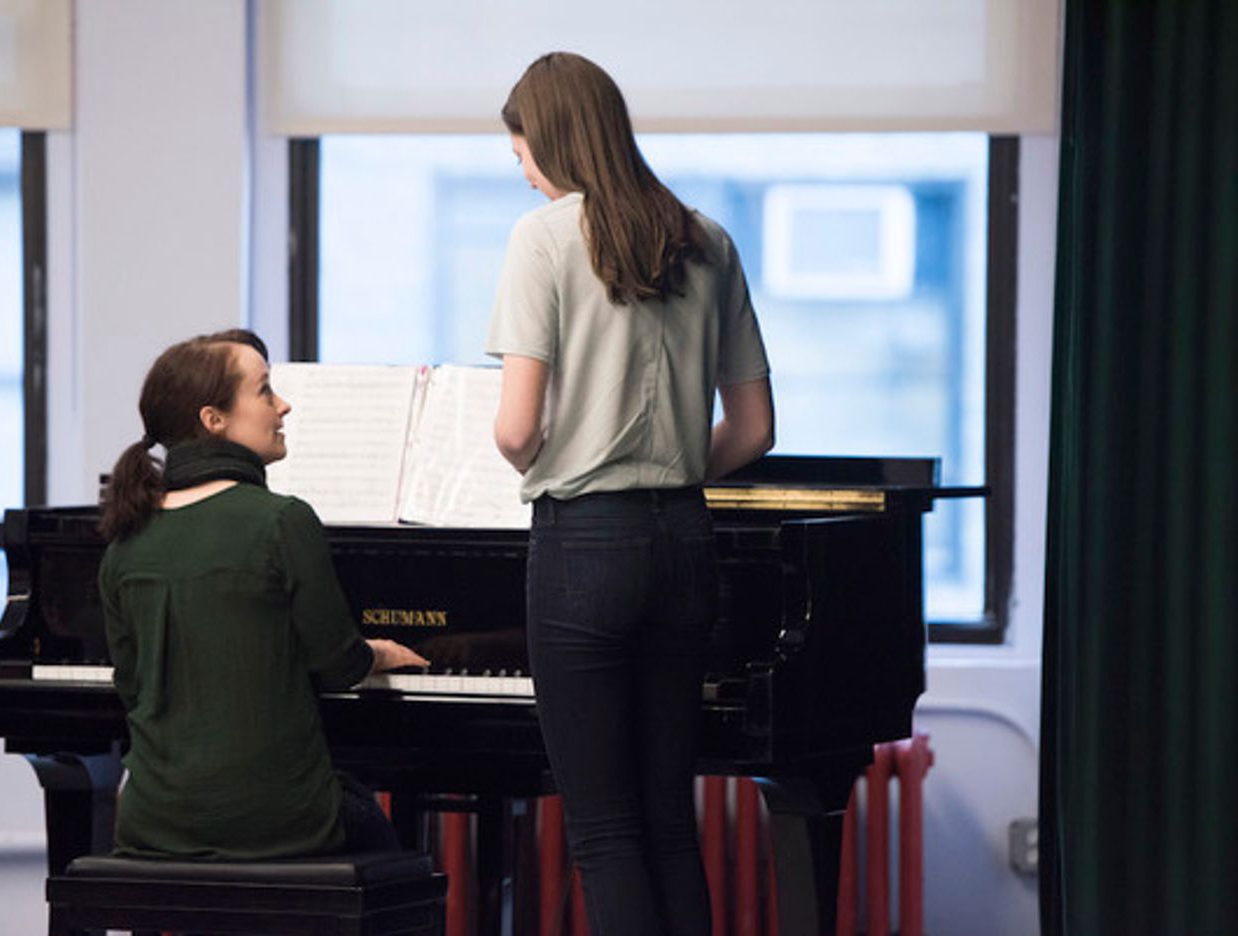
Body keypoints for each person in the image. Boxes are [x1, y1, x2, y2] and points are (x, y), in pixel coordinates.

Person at [487, 53, 776, 935]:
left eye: (524, 150)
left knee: (604, 834)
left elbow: (513, 429)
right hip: (686, 542)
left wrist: (560, 454)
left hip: (584, 547)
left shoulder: (541, 239)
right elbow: (757, 429)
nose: (522, 169)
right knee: (666, 828)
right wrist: (672, 467)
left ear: (557, 137)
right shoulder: (708, 238)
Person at [98, 328, 425, 860]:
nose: (284, 406)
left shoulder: (124, 543)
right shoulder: (281, 522)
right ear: (214, 420)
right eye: (266, 391)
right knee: (396, 859)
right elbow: (339, 666)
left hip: (152, 818)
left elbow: (133, 688)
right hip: (278, 820)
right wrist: (379, 652)